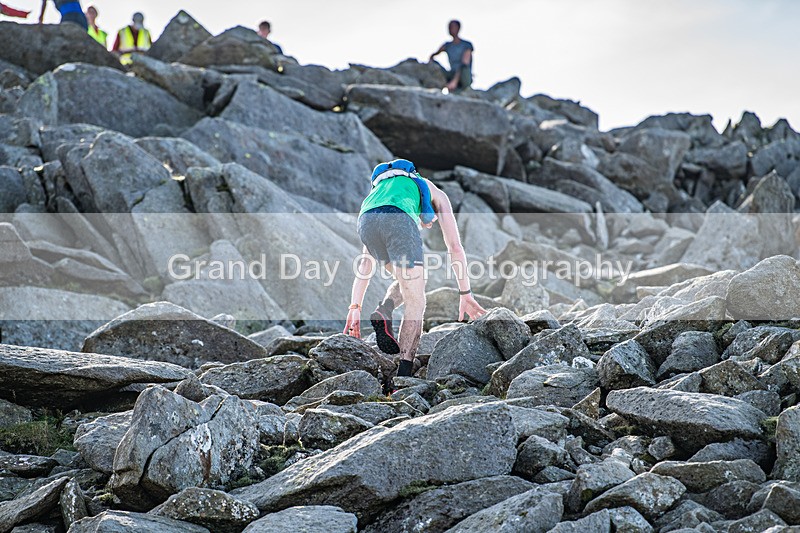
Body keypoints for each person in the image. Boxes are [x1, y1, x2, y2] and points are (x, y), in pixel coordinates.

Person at [344, 160, 487, 379]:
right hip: (399, 220)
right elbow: (455, 247)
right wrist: (465, 294)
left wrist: (355, 306)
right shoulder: (435, 192)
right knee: (416, 301)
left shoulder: (379, 193)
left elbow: (365, 264)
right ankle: (403, 374)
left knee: (411, 281)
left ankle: (385, 309)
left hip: (366, 220)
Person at [429, 19, 474, 93]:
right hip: (452, 73)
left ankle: (454, 84)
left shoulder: (467, 45)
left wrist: (454, 81)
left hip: (464, 76)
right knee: (435, 65)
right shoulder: (447, 45)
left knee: (464, 67)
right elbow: (433, 55)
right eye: (449, 27)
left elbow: (464, 64)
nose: (450, 29)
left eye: (452, 27)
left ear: (458, 28)